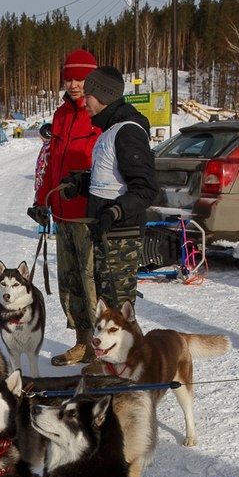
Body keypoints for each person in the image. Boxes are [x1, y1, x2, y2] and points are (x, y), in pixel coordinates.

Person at [31, 50, 101, 366]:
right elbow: (52, 164)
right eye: (69, 78)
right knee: (70, 282)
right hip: (61, 214)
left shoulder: (101, 114)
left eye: (80, 78)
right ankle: (82, 342)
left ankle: (105, 349)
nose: (74, 85)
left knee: (92, 283)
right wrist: (41, 200)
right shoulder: (60, 115)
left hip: (88, 214)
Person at [76, 66, 160, 313]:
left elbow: (145, 188)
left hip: (121, 236)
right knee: (109, 312)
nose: (84, 102)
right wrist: (82, 184)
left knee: (119, 317)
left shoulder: (128, 131)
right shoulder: (111, 130)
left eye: (88, 95)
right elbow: (111, 180)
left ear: (103, 96)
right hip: (107, 234)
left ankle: (137, 353)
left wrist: (114, 212)